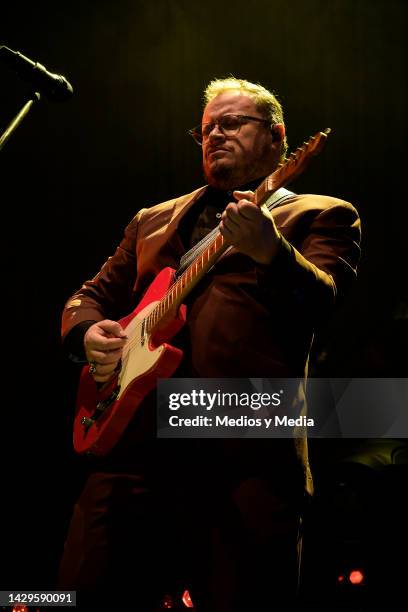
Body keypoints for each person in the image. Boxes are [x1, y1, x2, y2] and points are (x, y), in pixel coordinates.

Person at [58, 77, 361, 610]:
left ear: (277, 136)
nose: (215, 135)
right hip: (132, 447)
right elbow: (88, 297)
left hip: (242, 454)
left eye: (231, 123)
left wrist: (273, 251)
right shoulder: (152, 221)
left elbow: (325, 302)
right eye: (205, 130)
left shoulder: (320, 213)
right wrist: (88, 333)